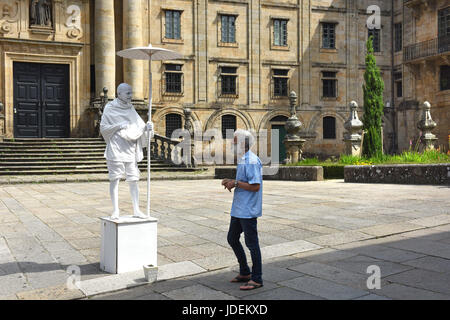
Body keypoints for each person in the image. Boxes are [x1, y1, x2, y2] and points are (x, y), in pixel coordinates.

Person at [100, 83, 154, 219]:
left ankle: (136, 209)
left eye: (131, 92)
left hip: (130, 148)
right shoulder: (109, 108)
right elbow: (103, 128)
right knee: (115, 179)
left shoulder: (131, 109)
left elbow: (139, 126)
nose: (131, 96)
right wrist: (119, 125)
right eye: (128, 93)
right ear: (119, 94)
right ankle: (115, 210)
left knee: (134, 179)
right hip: (116, 148)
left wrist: (148, 127)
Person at [222, 129, 264, 290]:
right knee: (232, 238)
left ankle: (257, 278)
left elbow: (255, 186)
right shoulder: (243, 159)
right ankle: (245, 272)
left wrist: (236, 183)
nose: (232, 144)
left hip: (247, 210)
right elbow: (244, 182)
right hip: (239, 209)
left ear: (242, 143)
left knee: (252, 244)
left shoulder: (252, 161)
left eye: (234, 141)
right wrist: (231, 181)